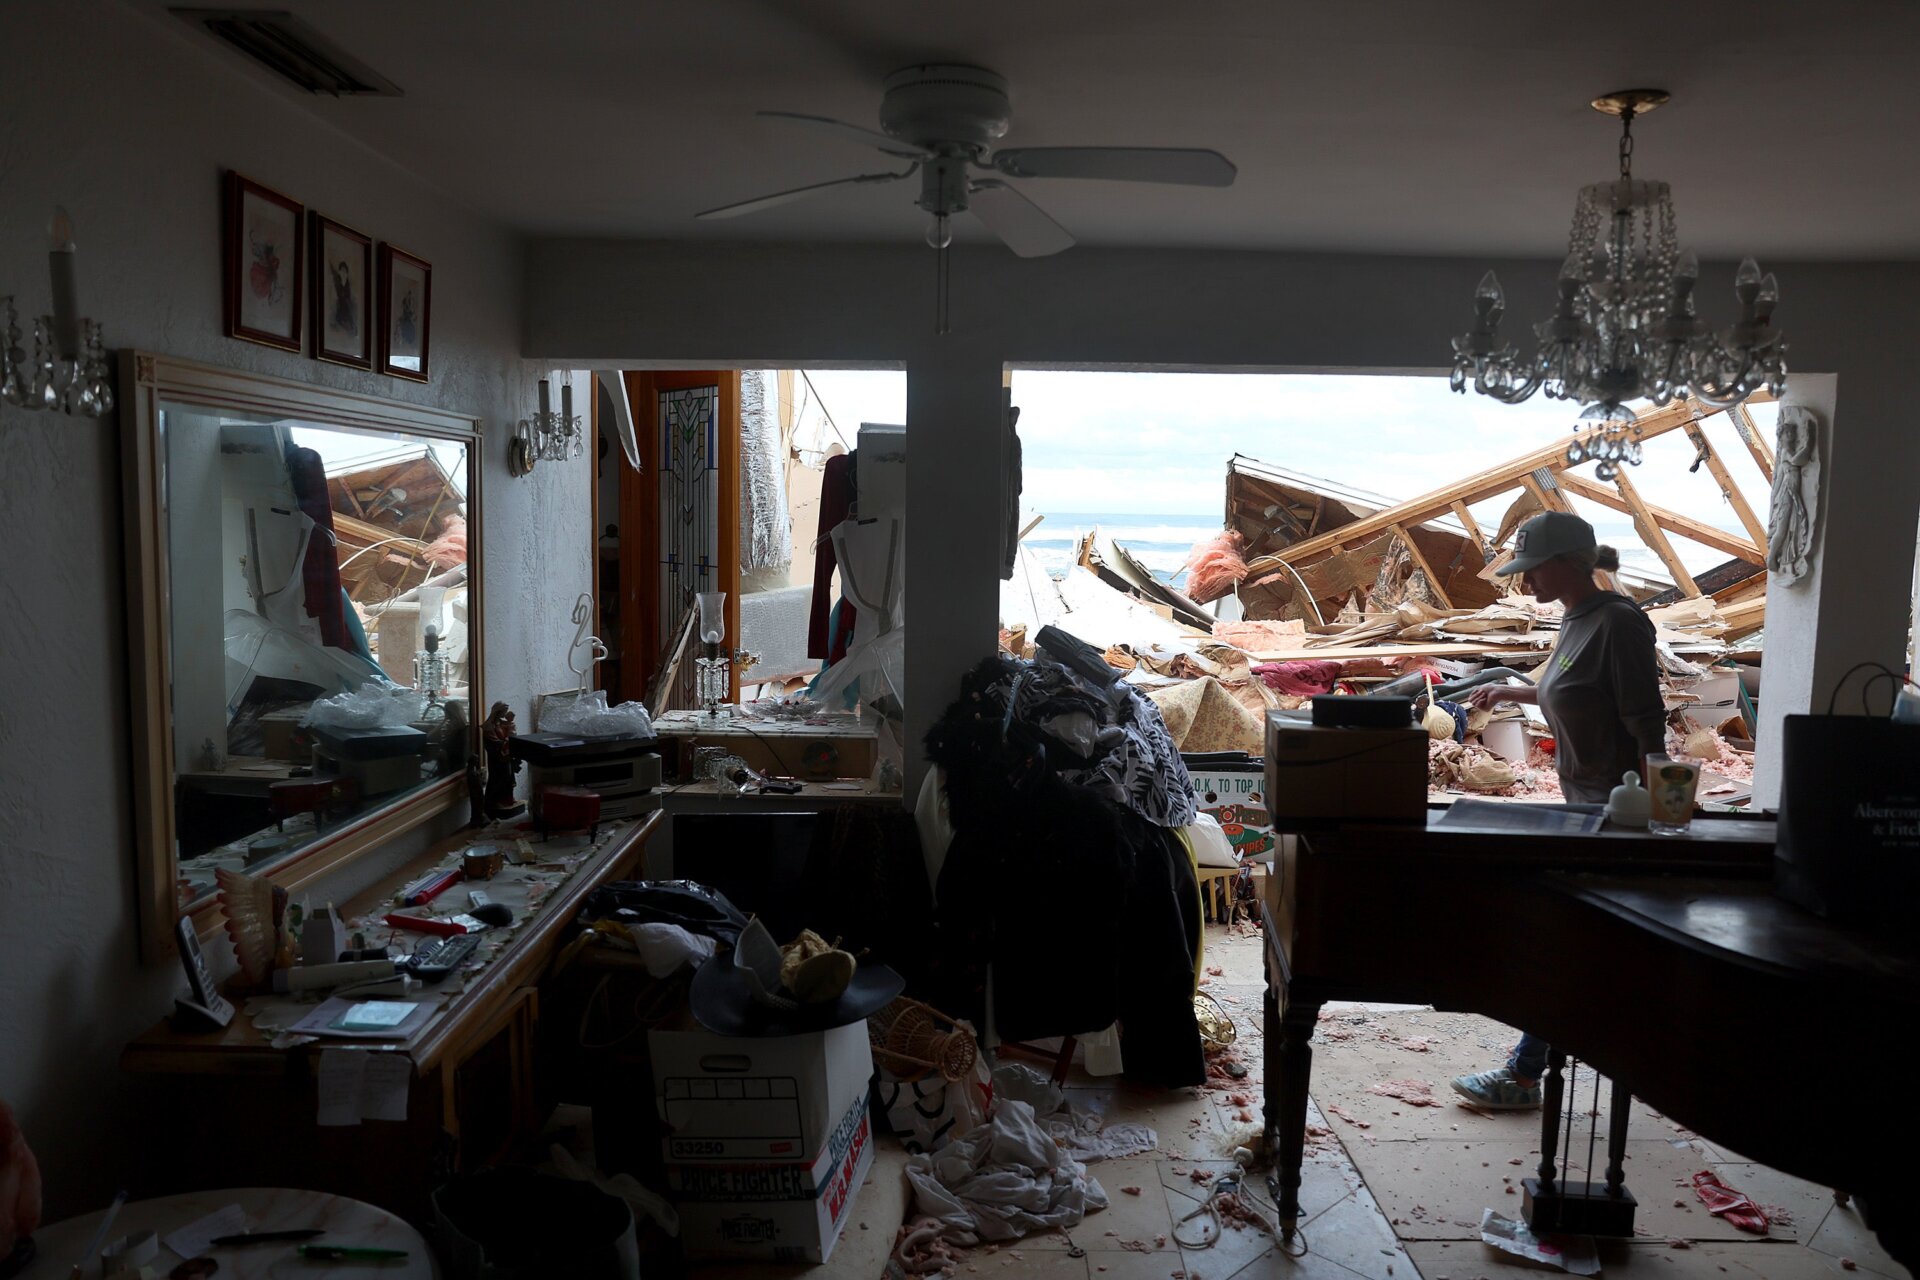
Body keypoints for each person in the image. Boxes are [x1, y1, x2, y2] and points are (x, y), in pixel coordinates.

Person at [1449, 510, 1667, 1109]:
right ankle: (1554, 1067)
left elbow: (1645, 723)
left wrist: (1659, 815)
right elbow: (1571, 686)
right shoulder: (1577, 620)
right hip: (1583, 805)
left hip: (1615, 812)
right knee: (1578, 947)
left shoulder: (1619, 624)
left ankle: (1525, 1076)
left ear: (1569, 563)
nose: (1524, 583)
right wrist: (1514, 689)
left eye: (1532, 570)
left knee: (1564, 945)